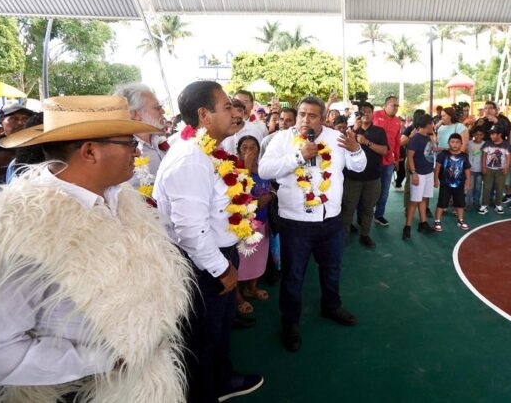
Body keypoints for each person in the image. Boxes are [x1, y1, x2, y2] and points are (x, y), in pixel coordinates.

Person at [0, 95, 192, 401]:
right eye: (129, 142)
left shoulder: (122, 199)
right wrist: (101, 361)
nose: (137, 150)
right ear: (90, 151)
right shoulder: (21, 229)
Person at [153, 81, 263, 402]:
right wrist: (221, 268)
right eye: (227, 106)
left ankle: (224, 380)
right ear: (204, 115)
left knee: (221, 328)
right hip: (204, 264)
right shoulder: (191, 158)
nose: (235, 113)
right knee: (203, 337)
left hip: (219, 254)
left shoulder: (209, 151)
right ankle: (204, 394)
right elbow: (190, 230)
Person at [259, 95, 365, 352]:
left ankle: (331, 306)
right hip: (296, 223)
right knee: (293, 276)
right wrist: (298, 156)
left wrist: (355, 150)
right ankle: (290, 323)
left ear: (323, 118)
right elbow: (264, 170)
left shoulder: (336, 138)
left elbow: (358, 167)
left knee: (332, 269)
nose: (305, 120)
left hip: (331, 220)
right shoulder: (281, 139)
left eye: (312, 115)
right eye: (302, 114)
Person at [235, 135, 273, 315]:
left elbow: (272, 187)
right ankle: (238, 297)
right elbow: (236, 194)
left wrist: (270, 196)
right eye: (244, 147)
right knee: (240, 261)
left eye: (253, 147)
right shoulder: (235, 170)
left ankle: (252, 288)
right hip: (243, 225)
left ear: (259, 150)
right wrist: (246, 169)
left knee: (258, 258)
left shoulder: (264, 168)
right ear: (238, 151)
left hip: (262, 221)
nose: (249, 151)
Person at [342, 103, 388, 248]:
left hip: (373, 177)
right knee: (348, 208)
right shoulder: (351, 130)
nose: (366, 114)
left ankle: (365, 235)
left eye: (369, 111)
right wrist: (355, 129)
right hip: (353, 177)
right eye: (363, 112)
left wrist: (366, 142)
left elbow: (384, 151)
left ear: (373, 114)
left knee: (368, 208)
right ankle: (343, 236)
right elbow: (342, 146)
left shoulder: (379, 131)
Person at [115, 83, 170, 181]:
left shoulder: (159, 142)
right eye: (157, 107)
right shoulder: (124, 154)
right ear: (135, 114)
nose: (163, 111)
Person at [404, 114, 437, 239]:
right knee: (414, 201)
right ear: (428, 124)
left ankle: (423, 223)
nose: (433, 126)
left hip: (428, 172)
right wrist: (414, 173)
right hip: (419, 173)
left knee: (423, 198)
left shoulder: (427, 137)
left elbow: (429, 151)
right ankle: (407, 227)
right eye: (432, 123)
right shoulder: (416, 138)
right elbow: (410, 156)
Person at [372, 95, 401, 226]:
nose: (396, 108)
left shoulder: (398, 121)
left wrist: (397, 158)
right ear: (385, 105)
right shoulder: (375, 115)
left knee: (384, 191)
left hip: (388, 162)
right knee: (369, 190)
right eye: (393, 105)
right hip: (372, 160)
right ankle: (363, 215)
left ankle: (379, 215)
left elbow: (397, 142)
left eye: (397, 106)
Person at [434, 133, 471, 231]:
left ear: (461, 144)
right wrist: (435, 179)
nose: (455, 144)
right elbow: (437, 167)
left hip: (459, 184)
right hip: (445, 184)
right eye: (452, 142)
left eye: (457, 142)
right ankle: (437, 220)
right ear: (448, 143)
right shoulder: (443, 154)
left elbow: (467, 169)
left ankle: (460, 220)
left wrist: (468, 181)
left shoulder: (464, 156)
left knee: (460, 203)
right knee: (442, 203)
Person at [478, 126, 511, 215]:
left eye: (493, 134)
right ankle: (484, 205)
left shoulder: (506, 145)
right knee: (486, 188)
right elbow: (484, 155)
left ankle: (498, 205)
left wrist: (507, 167)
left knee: (500, 188)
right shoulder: (488, 143)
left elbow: (509, 156)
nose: (491, 136)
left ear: (499, 134)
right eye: (491, 134)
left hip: (501, 170)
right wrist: (483, 167)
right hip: (488, 169)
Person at [467, 127, 485, 209]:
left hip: (480, 170)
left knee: (478, 187)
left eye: (481, 134)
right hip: (470, 170)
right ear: (473, 134)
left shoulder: (485, 144)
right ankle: (469, 203)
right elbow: (466, 154)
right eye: (477, 134)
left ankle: (477, 202)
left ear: (483, 135)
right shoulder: (469, 143)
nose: (478, 136)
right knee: (470, 188)